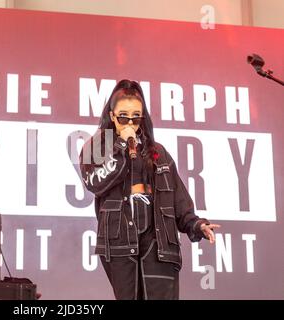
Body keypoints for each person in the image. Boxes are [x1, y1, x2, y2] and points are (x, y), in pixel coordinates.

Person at [79, 79, 220, 300]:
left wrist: (195, 224)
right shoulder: (97, 146)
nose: (130, 123)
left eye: (136, 117)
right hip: (120, 245)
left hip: (159, 246)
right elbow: (94, 182)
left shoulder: (158, 152)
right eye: (123, 116)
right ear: (112, 115)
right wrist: (121, 147)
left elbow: (178, 198)